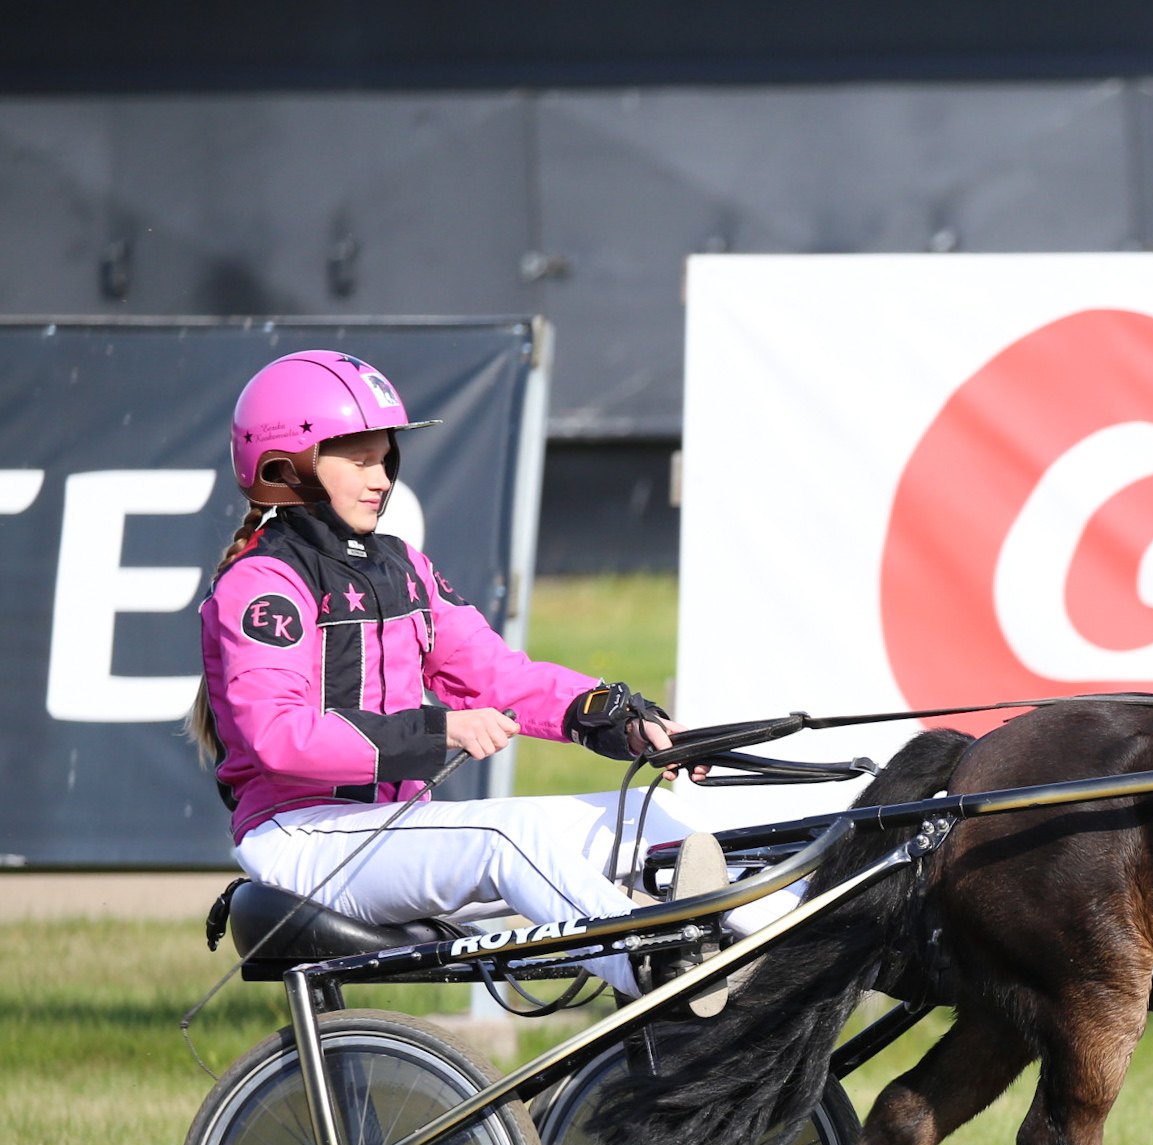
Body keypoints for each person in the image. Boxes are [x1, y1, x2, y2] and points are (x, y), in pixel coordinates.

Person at [188, 349, 783, 1000]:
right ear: (287, 467)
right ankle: (657, 972)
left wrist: (611, 716)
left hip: (393, 837)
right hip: (302, 843)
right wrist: (436, 730)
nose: (381, 477)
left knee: (650, 817)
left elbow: (498, 675)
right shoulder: (261, 584)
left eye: (385, 457)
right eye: (358, 459)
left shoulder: (404, 568)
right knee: (507, 837)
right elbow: (280, 735)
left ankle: (789, 957)